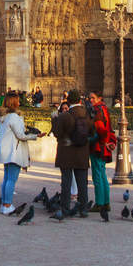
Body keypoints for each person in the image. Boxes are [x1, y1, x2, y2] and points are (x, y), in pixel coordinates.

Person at [0, 93, 43, 214]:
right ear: (13, 103)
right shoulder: (13, 117)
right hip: (14, 151)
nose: (19, 103)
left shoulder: (3, 117)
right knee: (11, 179)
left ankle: (4, 204)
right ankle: (7, 205)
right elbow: (21, 135)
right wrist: (36, 136)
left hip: (6, 150)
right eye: (17, 101)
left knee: (6, 179)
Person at [50, 88, 93, 219]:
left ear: (68, 101)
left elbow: (56, 133)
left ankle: (65, 208)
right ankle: (83, 208)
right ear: (80, 100)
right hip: (82, 152)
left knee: (66, 182)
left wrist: (54, 120)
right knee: (82, 183)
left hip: (66, 153)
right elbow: (92, 132)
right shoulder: (87, 114)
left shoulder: (65, 116)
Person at [87, 90, 115, 221]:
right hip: (104, 146)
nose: (90, 100)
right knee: (102, 175)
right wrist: (109, 141)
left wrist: (103, 141)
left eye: (93, 98)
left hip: (98, 147)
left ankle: (99, 203)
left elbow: (101, 129)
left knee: (97, 176)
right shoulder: (104, 108)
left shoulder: (97, 110)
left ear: (99, 98)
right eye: (89, 98)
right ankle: (106, 202)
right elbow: (108, 128)